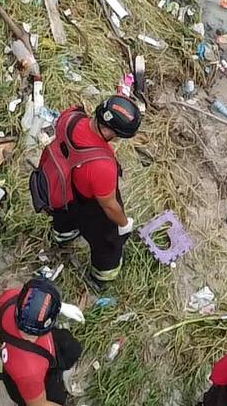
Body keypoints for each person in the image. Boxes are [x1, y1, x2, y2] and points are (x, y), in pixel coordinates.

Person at [29, 96, 142, 288]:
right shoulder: (102, 166)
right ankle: (103, 275)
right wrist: (123, 224)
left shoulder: (71, 117)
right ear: (108, 131)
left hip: (61, 190)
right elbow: (109, 205)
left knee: (63, 218)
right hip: (87, 204)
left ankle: (63, 235)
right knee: (107, 240)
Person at [0, 278, 91, 406]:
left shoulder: (9, 300)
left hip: (11, 351)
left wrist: (58, 307)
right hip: (26, 376)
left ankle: (0, 366)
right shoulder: (30, 370)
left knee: (68, 346)